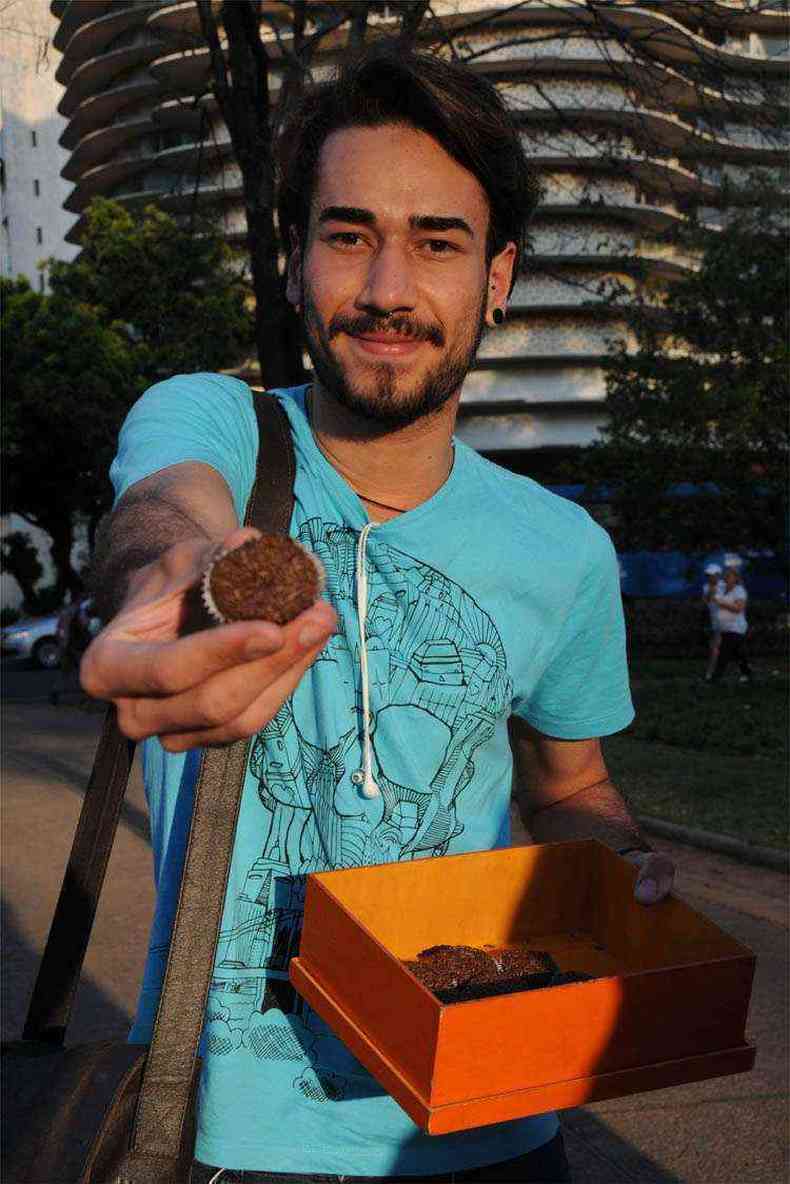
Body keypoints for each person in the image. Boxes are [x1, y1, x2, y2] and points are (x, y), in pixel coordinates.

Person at [81, 46, 675, 1184]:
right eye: (348, 235)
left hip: (495, 1131)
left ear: (496, 277)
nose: (389, 290)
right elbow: (161, 512)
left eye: (437, 243)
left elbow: (570, 783)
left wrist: (623, 861)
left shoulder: (563, 550)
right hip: (221, 1135)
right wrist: (177, 583)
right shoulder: (214, 421)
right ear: (297, 264)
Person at [711, 558, 753, 684]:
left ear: (736, 578)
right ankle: (747, 673)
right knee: (739, 653)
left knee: (724, 652)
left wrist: (721, 603)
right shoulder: (722, 589)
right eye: (726, 575)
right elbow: (712, 596)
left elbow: (738, 609)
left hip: (736, 627)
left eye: (730, 576)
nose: (727, 578)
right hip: (725, 627)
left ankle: (715, 678)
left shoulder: (739, 591)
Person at [702, 563, 723, 681]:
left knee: (715, 647)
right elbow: (706, 600)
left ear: (718, 575)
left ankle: (710, 673)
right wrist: (712, 589)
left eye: (712, 575)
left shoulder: (725, 585)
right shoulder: (706, 587)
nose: (710, 577)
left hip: (725, 621)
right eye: (708, 575)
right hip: (715, 621)